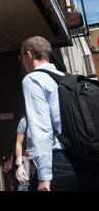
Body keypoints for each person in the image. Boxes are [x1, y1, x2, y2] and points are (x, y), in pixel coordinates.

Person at [20, 36, 99, 191]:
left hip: (60, 162)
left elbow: (42, 128)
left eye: (21, 56)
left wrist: (44, 176)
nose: (22, 61)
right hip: (87, 157)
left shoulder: (33, 79)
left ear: (29, 55)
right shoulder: (66, 78)